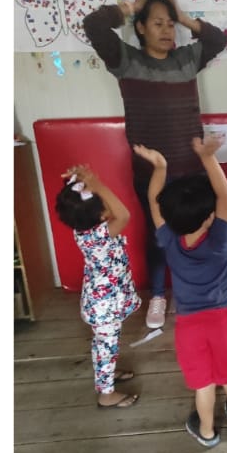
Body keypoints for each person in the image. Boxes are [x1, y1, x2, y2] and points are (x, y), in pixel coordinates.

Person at [80, 0, 227, 330]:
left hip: (193, 167)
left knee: (205, 229)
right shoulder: (125, 60)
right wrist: (130, 8)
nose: (167, 30)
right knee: (159, 235)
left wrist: (185, 17)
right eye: (158, 23)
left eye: (170, 24)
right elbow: (93, 25)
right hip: (151, 172)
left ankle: (215, 292)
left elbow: (218, 40)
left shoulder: (187, 59)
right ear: (140, 28)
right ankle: (159, 295)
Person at [135, 133, 227, 447]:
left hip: (188, 328)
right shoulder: (219, 241)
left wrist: (160, 167)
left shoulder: (169, 239)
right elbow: (224, 195)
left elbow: (154, 202)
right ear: (211, 216)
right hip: (222, 322)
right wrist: (207, 157)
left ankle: (207, 432)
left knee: (204, 384)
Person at [53, 163, 140, 408]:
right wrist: (98, 185)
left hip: (101, 300)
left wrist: (82, 179)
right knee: (106, 346)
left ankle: (107, 375)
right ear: (102, 216)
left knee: (104, 343)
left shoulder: (82, 230)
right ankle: (106, 394)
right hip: (105, 304)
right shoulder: (101, 234)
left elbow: (80, 202)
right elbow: (124, 215)